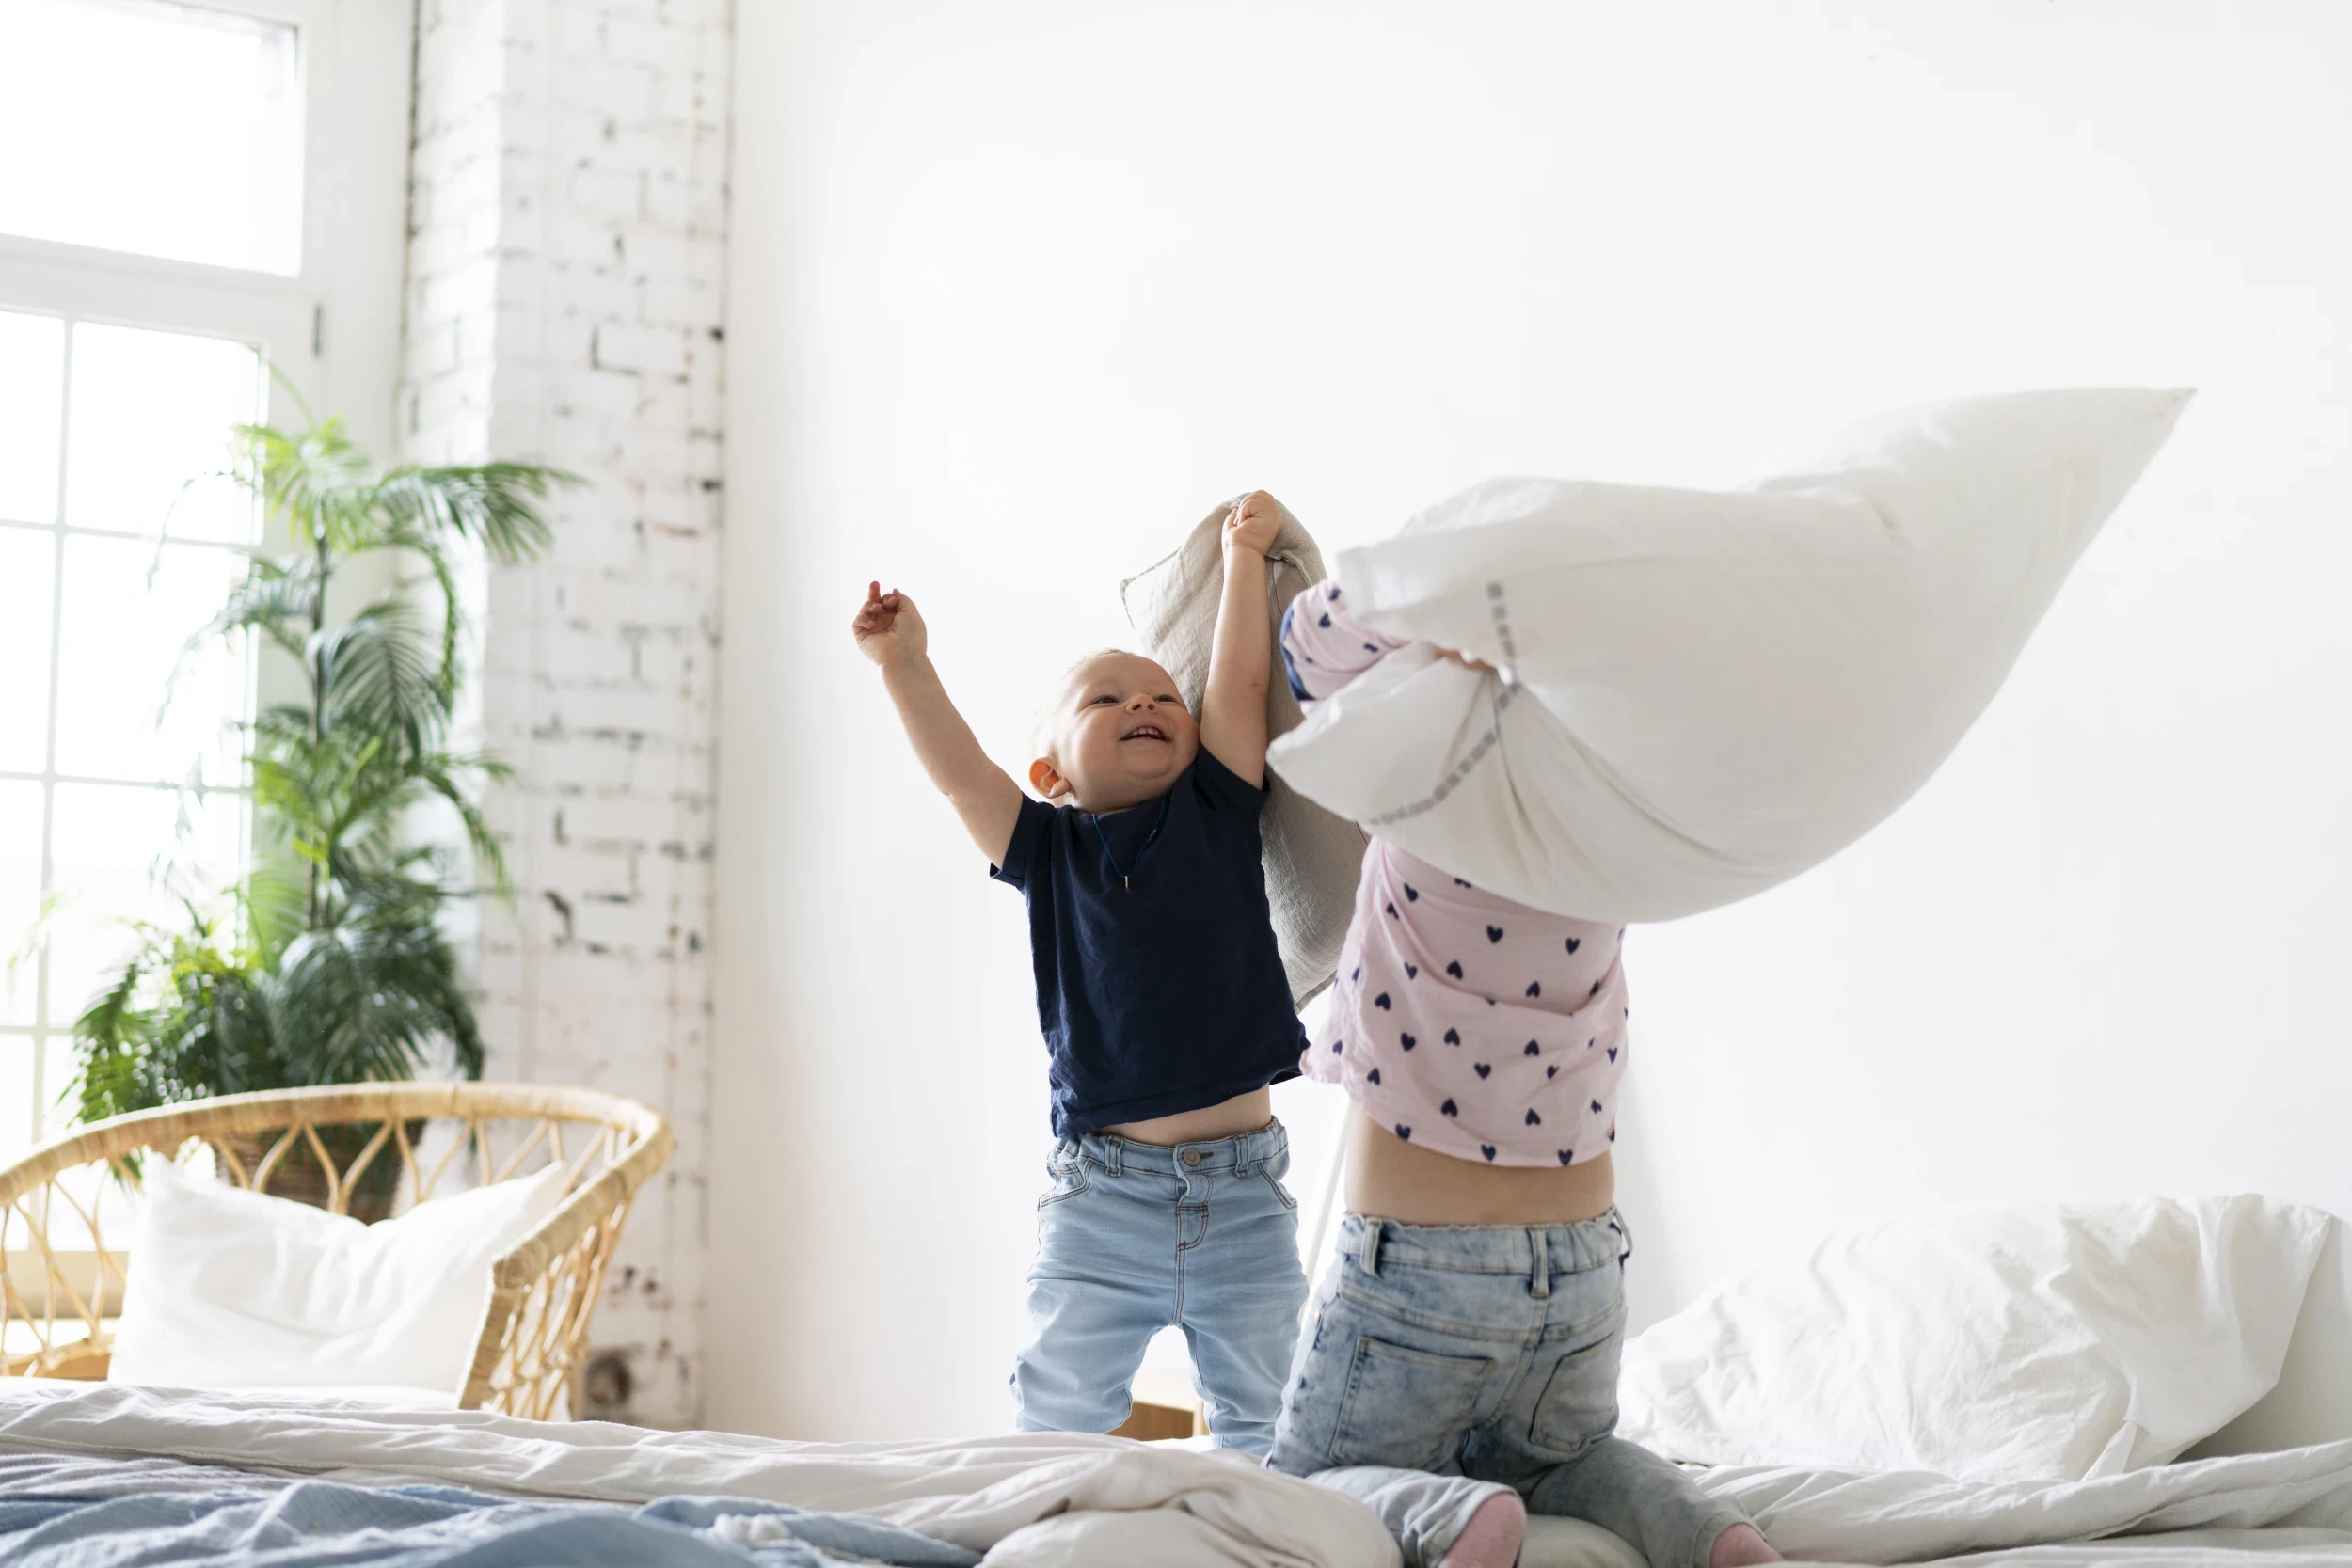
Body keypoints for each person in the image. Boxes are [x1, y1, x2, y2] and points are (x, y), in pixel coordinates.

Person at [1265, 578, 1785, 1568]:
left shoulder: (1426, 792)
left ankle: (1460, 1519)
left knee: (1302, 1483)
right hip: (1582, 1276)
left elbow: (1308, 639)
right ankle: (1711, 1537)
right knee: (1572, 1460)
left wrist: (1445, 596)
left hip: (1422, 1274)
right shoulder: (1606, 832)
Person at [850, 492, 1309, 1454]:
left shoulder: (1218, 808)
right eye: (1106, 700)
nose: (1144, 703)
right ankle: (1054, 1520)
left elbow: (1235, 680)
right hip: (1104, 1201)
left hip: (1243, 1201)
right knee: (1056, 1419)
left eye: (1162, 697)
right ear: (1051, 774)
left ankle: (1257, 1525)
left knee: (1273, 1429)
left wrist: (1243, 558)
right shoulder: (1046, 849)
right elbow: (960, 774)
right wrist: (904, 663)